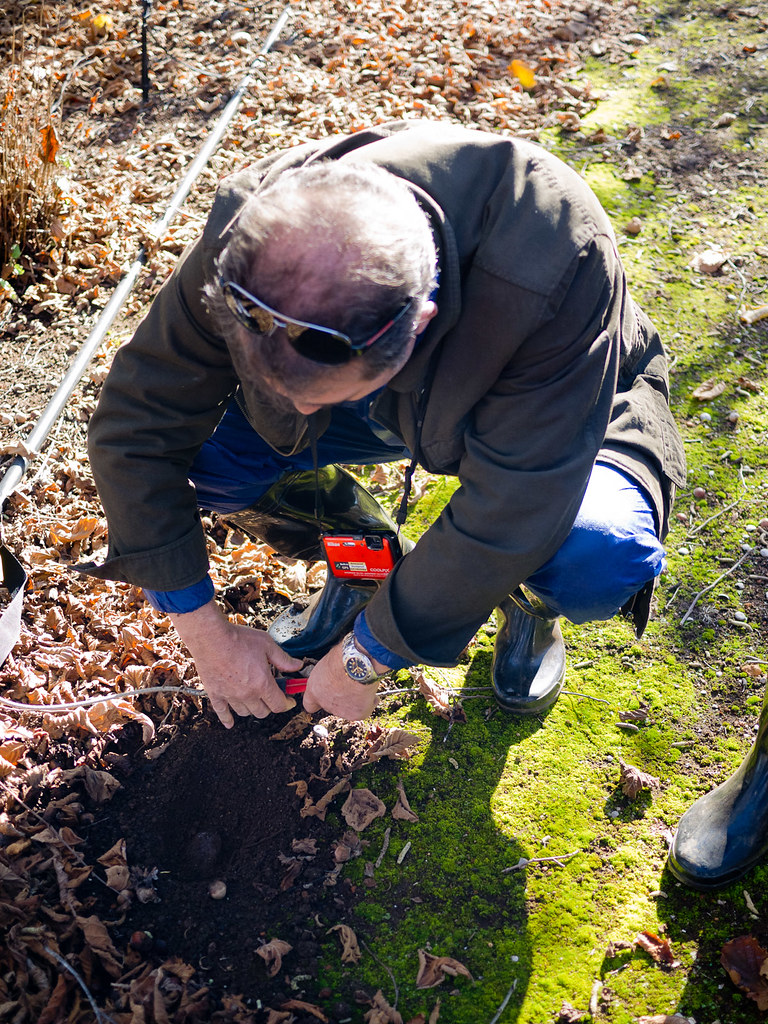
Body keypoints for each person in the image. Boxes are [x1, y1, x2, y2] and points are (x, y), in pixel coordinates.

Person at [80, 120, 686, 731]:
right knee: (211, 455)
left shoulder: (554, 254)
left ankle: (531, 603)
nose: (303, 413)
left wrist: (368, 656)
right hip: (380, 403)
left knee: (595, 552)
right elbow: (138, 422)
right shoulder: (253, 243)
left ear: (418, 325)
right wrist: (204, 632)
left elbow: (517, 503)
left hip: (551, 402)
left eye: (316, 396)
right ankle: (364, 561)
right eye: (284, 391)